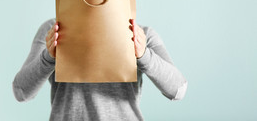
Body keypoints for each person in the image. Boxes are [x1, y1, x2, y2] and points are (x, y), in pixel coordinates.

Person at [12, 17, 188, 120]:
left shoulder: (141, 34)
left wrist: (144, 55)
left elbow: (178, 90)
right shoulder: (53, 30)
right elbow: (21, 91)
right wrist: (48, 57)